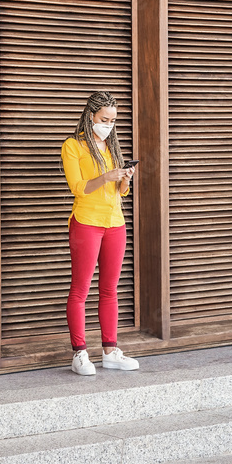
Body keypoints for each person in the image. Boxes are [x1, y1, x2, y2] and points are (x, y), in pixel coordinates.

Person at [60, 91, 139, 375]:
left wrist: (124, 179)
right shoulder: (73, 146)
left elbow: (120, 193)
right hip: (86, 221)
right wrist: (106, 176)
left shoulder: (111, 146)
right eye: (104, 119)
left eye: (113, 120)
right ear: (90, 115)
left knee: (109, 289)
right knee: (80, 289)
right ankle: (80, 353)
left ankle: (110, 351)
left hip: (115, 222)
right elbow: (78, 187)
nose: (109, 124)